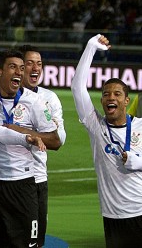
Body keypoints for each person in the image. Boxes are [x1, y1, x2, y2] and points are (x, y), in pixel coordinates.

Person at [0, 49, 61, 248]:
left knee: (26, 244)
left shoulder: (35, 102)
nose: (19, 72)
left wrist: (23, 132)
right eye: (12, 67)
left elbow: (55, 140)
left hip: (22, 184)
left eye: (21, 67)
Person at [72, 34, 142, 248]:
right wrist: (91, 47)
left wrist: (137, 161)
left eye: (117, 94)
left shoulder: (140, 125)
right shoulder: (96, 126)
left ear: (126, 100)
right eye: (106, 94)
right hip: (112, 216)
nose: (111, 97)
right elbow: (77, 87)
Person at [18, 45, 67, 248]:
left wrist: (20, 131)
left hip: (37, 178)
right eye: (29, 63)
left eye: (39, 64)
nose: (35, 68)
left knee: (35, 241)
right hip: (0, 179)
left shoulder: (49, 98)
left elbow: (58, 139)